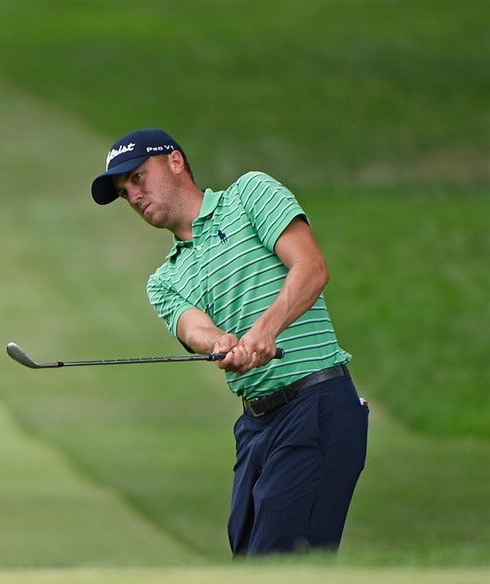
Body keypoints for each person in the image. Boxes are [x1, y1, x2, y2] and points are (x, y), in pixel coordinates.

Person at [90, 129, 369, 557]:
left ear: (176, 162)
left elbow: (310, 268)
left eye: (138, 178)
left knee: (280, 561)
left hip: (317, 403)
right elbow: (194, 329)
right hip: (257, 427)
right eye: (125, 192)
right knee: (247, 555)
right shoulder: (164, 281)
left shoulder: (249, 194)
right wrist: (220, 342)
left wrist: (265, 330)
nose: (134, 196)